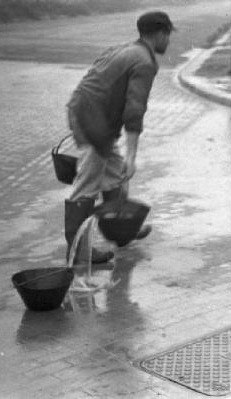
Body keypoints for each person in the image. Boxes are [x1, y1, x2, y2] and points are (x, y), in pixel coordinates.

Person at [64, 11, 174, 263]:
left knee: (113, 173)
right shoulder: (145, 62)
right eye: (168, 35)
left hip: (88, 113)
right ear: (160, 34)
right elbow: (134, 110)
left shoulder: (126, 49)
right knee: (88, 183)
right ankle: (78, 252)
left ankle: (123, 231)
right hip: (93, 120)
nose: (168, 42)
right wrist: (132, 155)